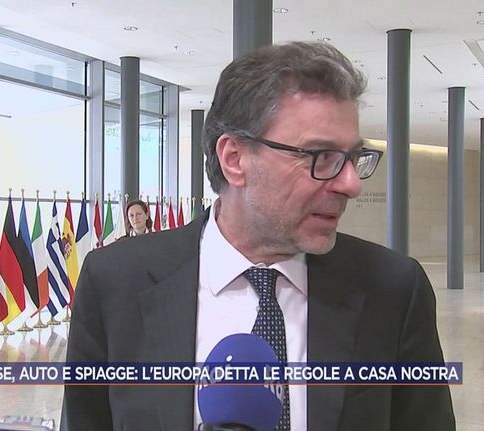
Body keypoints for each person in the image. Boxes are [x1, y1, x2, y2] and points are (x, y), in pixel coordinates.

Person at [62, 41, 455, 431]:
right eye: (321, 157)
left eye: (352, 158)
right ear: (234, 159)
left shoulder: (394, 289)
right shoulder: (114, 283)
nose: (351, 184)